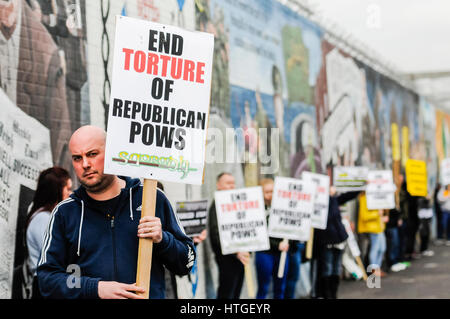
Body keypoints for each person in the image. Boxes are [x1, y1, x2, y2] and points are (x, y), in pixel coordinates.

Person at [36, 125, 195, 299]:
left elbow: (187, 263)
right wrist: (95, 288)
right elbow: (47, 280)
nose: (85, 164)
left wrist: (163, 239)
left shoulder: (151, 199)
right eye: (77, 158)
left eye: (92, 154)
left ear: (112, 151)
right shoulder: (65, 212)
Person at [208, 172, 250, 299]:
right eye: (228, 183)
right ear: (218, 185)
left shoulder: (237, 204)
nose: (231, 186)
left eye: (233, 183)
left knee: (236, 292)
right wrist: (235, 251)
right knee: (227, 293)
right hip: (226, 257)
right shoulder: (216, 206)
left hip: (241, 256)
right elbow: (216, 236)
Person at [315, 186, 360, 299]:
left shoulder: (334, 200)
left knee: (336, 269)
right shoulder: (319, 203)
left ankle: (333, 294)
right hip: (326, 241)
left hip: (339, 240)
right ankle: (327, 294)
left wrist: (361, 185)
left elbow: (348, 195)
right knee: (328, 268)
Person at [254, 178, 290, 299]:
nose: (271, 195)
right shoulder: (256, 210)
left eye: (273, 191)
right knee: (263, 287)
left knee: (280, 288)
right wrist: (276, 245)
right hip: (264, 252)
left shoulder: (283, 207)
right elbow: (257, 232)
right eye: (267, 192)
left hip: (282, 253)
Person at [357, 193, 388, 277]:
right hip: (371, 228)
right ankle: (374, 270)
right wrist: (377, 214)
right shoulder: (364, 198)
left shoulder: (376, 197)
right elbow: (364, 216)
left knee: (382, 248)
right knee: (375, 249)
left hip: (379, 227)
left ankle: (377, 268)